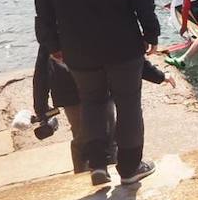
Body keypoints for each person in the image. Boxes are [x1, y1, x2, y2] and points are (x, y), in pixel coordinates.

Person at [33, 0, 160, 186]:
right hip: (122, 42)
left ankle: (98, 165)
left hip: (77, 46)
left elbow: (42, 1)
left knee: (91, 102)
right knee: (128, 103)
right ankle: (130, 168)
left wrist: (51, 43)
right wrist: (150, 31)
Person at [33, 44, 174, 174]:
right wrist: (157, 75)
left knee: (81, 137)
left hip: (67, 89)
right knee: (108, 135)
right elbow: (125, 48)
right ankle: (108, 173)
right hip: (98, 82)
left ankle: (86, 175)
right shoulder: (99, 18)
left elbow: (41, 69)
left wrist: (41, 107)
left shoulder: (54, 22)